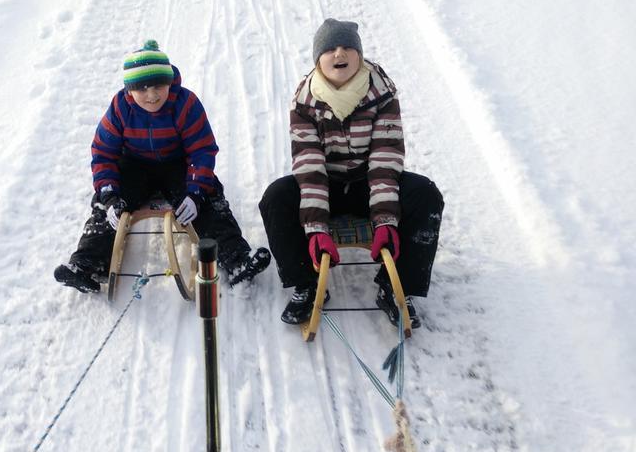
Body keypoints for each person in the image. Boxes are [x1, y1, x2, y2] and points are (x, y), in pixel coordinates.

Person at [258, 19, 443, 326]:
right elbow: (309, 164)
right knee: (276, 196)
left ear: (359, 55)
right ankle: (306, 281)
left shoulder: (382, 94)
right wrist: (316, 227)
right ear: (318, 59)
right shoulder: (304, 102)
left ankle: (396, 286)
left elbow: (385, 159)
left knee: (425, 194)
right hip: (326, 184)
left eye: (347, 47)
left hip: (367, 184)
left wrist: (385, 218)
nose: (339, 53)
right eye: (329, 48)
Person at [55, 40, 272, 293]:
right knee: (106, 209)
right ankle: (86, 263)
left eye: (158, 85)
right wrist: (110, 194)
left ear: (169, 82)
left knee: (209, 201)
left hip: (176, 164)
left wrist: (196, 192)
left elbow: (202, 149)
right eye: (142, 89)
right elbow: (103, 152)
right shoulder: (120, 108)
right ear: (129, 90)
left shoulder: (185, 103)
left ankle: (236, 258)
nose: (152, 95)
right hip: (135, 166)